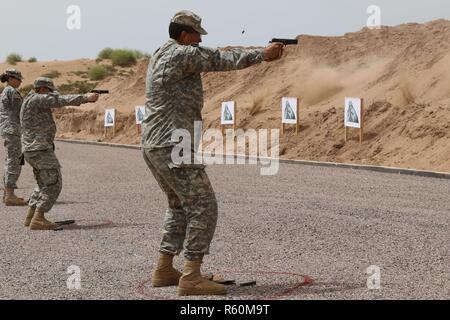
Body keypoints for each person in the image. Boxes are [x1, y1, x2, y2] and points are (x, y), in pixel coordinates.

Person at [141, 10, 285, 296]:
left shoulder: (161, 53)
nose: (198, 41)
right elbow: (221, 58)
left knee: (179, 206)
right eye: (196, 36)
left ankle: (165, 269)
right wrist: (262, 55)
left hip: (156, 142)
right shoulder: (182, 54)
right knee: (204, 207)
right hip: (173, 142)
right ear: (184, 35)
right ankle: (192, 276)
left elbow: (218, 52)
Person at [20, 77, 99, 230]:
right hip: (39, 148)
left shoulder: (29, 99)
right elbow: (60, 100)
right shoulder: (37, 98)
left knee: (43, 183)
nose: (51, 95)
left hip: (33, 148)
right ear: (43, 89)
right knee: (53, 183)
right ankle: (39, 218)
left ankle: (32, 216)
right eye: (49, 92)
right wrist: (85, 98)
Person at [0, 69, 27, 206]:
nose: (20, 81)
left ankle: (8, 194)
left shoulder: (6, 91)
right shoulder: (12, 91)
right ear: (10, 79)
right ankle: (10, 194)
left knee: (10, 159)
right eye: (18, 78)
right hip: (12, 129)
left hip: (9, 129)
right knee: (14, 160)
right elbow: (21, 111)